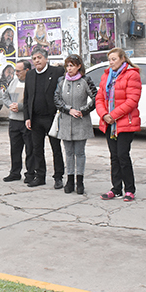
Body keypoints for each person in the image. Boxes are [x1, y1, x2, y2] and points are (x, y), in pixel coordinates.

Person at [96, 48, 141, 201]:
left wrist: (113, 115)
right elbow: (99, 99)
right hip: (109, 123)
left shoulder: (132, 74)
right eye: (110, 60)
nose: (111, 62)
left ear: (122, 59)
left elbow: (132, 100)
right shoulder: (106, 75)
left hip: (124, 123)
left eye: (114, 59)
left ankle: (129, 189)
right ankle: (116, 188)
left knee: (123, 155)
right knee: (114, 156)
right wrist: (104, 115)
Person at [53, 54, 97, 194]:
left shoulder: (85, 80)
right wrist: (68, 110)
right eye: (67, 66)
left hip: (81, 121)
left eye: (72, 65)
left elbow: (96, 98)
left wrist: (82, 111)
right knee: (68, 152)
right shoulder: (61, 81)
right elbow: (57, 99)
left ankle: (80, 181)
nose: (69, 68)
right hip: (66, 121)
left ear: (79, 66)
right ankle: (70, 179)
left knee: (80, 152)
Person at [23, 46, 65, 189]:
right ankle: (40, 176)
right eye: (34, 58)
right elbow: (27, 97)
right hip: (35, 119)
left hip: (52, 118)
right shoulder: (30, 75)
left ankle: (58, 177)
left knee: (56, 148)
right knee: (37, 149)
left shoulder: (57, 71)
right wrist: (27, 117)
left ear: (46, 59)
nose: (37, 61)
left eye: (39, 58)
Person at [2, 60, 33, 183]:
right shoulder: (13, 82)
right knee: (15, 148)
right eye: (15, 71)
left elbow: (32, 101)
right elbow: (5, 96)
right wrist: (10, 105)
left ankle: (30, 174)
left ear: (27, 71)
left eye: (19, 71)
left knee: (30, 149)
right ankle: (14, 172)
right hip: (14, 120)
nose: (16, 73)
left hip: (26, 120)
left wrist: (20, 107)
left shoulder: (31, 83)